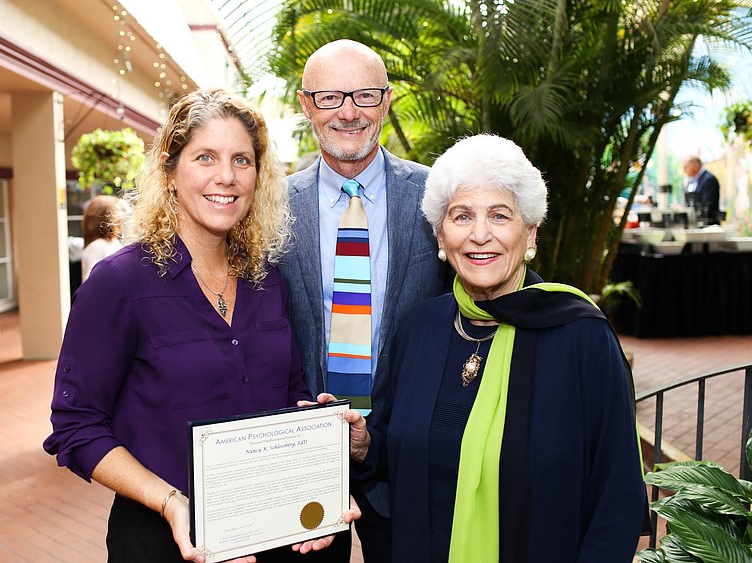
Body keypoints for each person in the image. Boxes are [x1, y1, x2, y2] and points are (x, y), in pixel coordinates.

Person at [44, 88, 358, 563]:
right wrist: (172, 503)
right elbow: (77, 427)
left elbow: (289, 392)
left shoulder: (266, 280)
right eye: (205, 157)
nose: (226, 176)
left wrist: (320, 470)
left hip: (277, 535)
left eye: (242, 160)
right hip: (162, 541)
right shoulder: (119, 282)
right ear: (170, 172)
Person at [326, 134, 648, 562]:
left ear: (530, 233)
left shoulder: (580, 335)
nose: (480, 235)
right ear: (441, 237)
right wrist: (365, 444)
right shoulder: (420, 329)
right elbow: (401, 456)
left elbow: (617, 498)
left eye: (499, 215)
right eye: (462, 216)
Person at [280, 39, 449, 562]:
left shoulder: (438, 197)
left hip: (404, 456)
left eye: (365, 95)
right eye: (330, 97)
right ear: (306, 105)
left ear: (387, 100)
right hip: (301, 461)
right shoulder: (270, 206)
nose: (349, 112)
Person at [80, 194, 126, 281]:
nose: (122, 216)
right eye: (117, 211)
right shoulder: (97, 246)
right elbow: (93, 280)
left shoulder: (114, 243)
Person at [682, 155, 721, 226]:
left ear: (695, 165)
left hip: (709, 225)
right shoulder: (690, 181)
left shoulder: (709, 180)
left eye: (686, 167)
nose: (684, 170)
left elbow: (707, 205)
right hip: (695, 224)